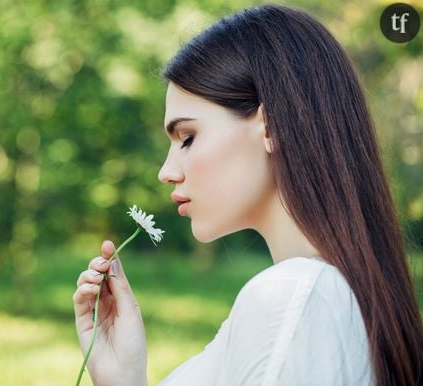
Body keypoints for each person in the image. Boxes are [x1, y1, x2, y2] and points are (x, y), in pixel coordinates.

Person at [73, 4, 423, 386]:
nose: (166, 171)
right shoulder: (318, 299)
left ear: (270, 126)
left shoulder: (290, 300)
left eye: (188, 138)